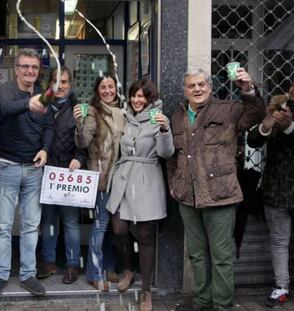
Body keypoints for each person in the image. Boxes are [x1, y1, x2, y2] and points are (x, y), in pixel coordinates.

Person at [168, 68, 265, 311]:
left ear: (210, 87)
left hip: (220, 195)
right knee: (197, 255)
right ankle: (203, 300)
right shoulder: (177, 117)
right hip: (187, 196)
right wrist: (174, 183)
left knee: (221, 256)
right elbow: (172, 156)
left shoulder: (228, 109)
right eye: (192, 86)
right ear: (185, 90)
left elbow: (256, 114)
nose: (197, 89)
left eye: (202, 84)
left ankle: (222, 304)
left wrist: (248, 89)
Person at [0, 48, 54, 297]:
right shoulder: (7, 89)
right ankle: (1, 275)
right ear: (16, 69)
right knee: (3, 226)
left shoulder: (43, 95)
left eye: (34, 68)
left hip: (34, 169)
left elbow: (49, 126)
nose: (30, 71)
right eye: (25, 66)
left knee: (31, 225)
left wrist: (46, 149)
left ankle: (28, 275)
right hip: (6, 166)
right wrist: (29, 103)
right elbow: (5, 108)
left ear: (38, 71)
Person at [106, 79, 174, 310]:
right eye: (134, 95)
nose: (137, 100)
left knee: (145, 236)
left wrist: (165, 130)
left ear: (150, 99)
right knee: (119, 229)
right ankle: (128, 269)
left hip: (147, 179)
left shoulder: (158, 119)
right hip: (123, 178)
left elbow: (166, 152)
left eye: (142, 96)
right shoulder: (124, 116)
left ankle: (146, 291)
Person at [74, 73, 126, 291]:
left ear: (116, 88)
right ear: (97, 91)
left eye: (110, 86)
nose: (107, 90)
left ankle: (109, 265)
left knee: (115, 228)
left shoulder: (124, 111)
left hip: (122, 179)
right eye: (103, 87)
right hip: (102, 179)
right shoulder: (93, 112)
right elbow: (84, 140)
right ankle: (95, 272)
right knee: (100, 224)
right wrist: (80, 123)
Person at [37, 66, 87, 284]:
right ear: (50, 83)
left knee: (70, 222)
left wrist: (80, 158)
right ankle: (48, 261)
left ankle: (72, 264)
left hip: (69, 172)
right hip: (46, 172)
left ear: (70, 85)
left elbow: (86, 140)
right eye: (56, 81)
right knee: (48, 220)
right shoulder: (41, 106)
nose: (60, 86)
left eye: (64, 82)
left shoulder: (79, 109)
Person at [246, 91, 294, 308]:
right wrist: (267, 123)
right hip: (277, 189)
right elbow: (254, 140)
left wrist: (290, 128)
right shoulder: (278, 107)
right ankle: (282, 286)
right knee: (279, 241)